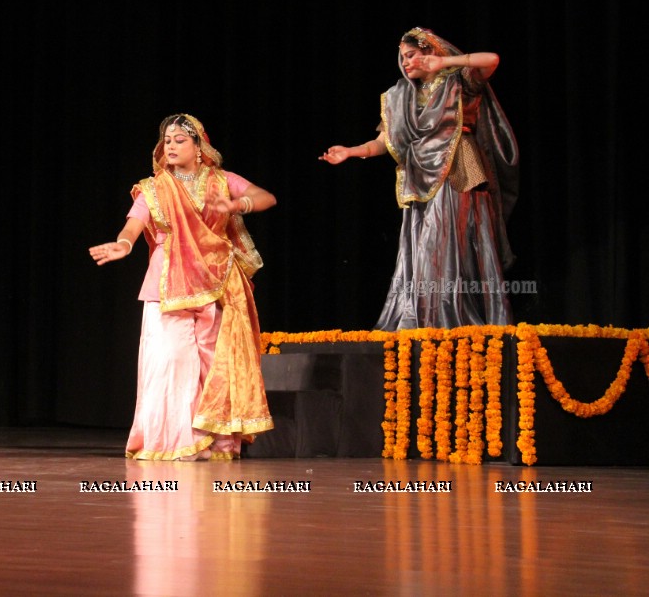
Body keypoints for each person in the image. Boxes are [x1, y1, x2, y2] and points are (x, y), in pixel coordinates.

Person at [90, 114, 275, 460]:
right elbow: (134, 225)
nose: (170, 146)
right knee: (169, 361)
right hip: (167, 280)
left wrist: (238, 204)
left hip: (216, 279)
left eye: (179, 140)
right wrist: (124, 245)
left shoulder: (222, 181)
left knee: (213, 362)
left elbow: (265, 197)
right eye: (167, 141)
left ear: (199, 147)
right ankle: (173, 441)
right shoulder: (154, 187)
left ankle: (213, 442)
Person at [321, 28, 519, 330]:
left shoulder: (459, 80)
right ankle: (425, 317)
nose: (406, 63)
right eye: (403, 58)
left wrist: (444, 64)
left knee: (455, 244)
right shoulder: (401, 96)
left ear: (431, 51)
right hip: (419, 176)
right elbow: (384, 141)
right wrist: (350, 151)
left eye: (411, 55)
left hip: (458, 171)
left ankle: (459, 316)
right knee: (424, 247)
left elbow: (491, 60)